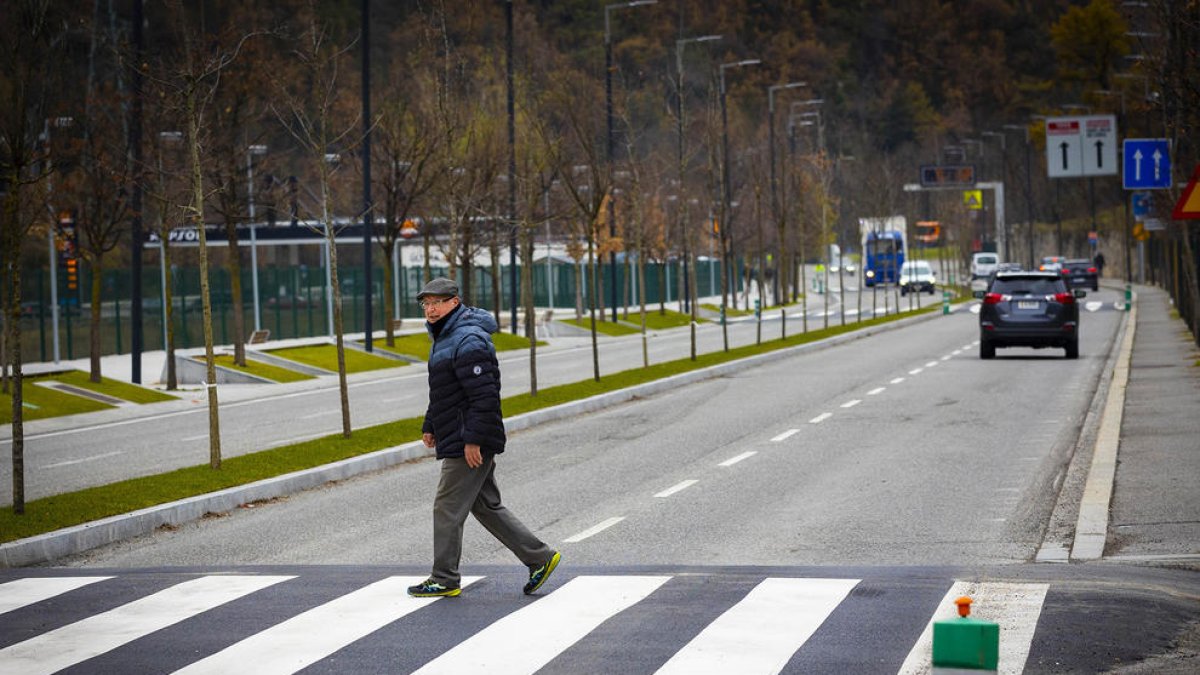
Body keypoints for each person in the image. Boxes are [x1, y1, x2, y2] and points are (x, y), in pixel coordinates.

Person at [407, 277, 561, 598]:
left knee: (447, 507)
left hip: (468, 439)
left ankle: (444, 578)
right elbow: (447, 392)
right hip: (460, 433)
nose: (431, 309)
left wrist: (473, 440)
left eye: (437, 302)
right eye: (426, 304)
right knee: (486, 506)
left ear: (454, 302)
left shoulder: (469, 340)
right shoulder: (447, 335)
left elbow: (484, 396)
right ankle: (540, 558)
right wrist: (431, 423)